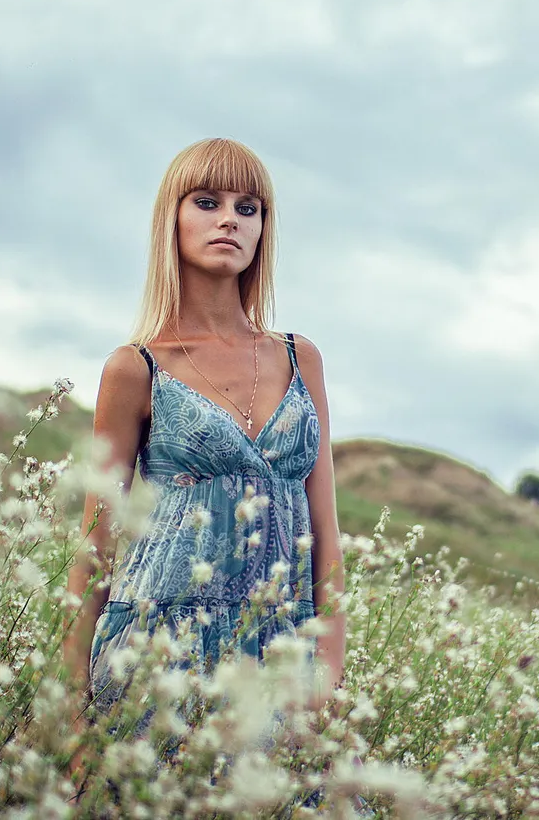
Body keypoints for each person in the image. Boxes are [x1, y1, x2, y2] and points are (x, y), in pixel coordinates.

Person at [61, 138, 347, 766]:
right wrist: (70, 699)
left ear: (263, 229)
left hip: (279, 651)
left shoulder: (300, 358)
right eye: (208, 202)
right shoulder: (136, 368)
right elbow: (96, 543)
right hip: (156, 650)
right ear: (173, 217)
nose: (229, 221)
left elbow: (326, 533)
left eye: (248, 208)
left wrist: (327, 670)